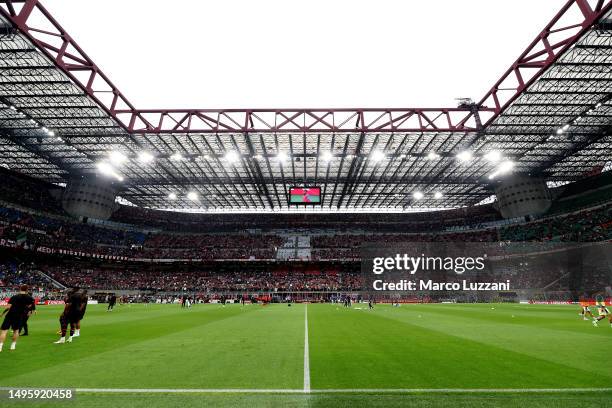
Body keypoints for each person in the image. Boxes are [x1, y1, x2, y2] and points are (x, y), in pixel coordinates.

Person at [0, 285, 35, 352]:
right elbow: (30, 306)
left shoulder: (14, 297)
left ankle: (0, 346)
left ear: (20, 289)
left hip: (10, 315)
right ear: (27, 290)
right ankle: (13, 345)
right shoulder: (29, 298)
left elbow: (8, 307)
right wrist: (27, 311)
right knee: (16, 331)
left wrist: (2, 313)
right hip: (19, 316)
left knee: (4, 331)